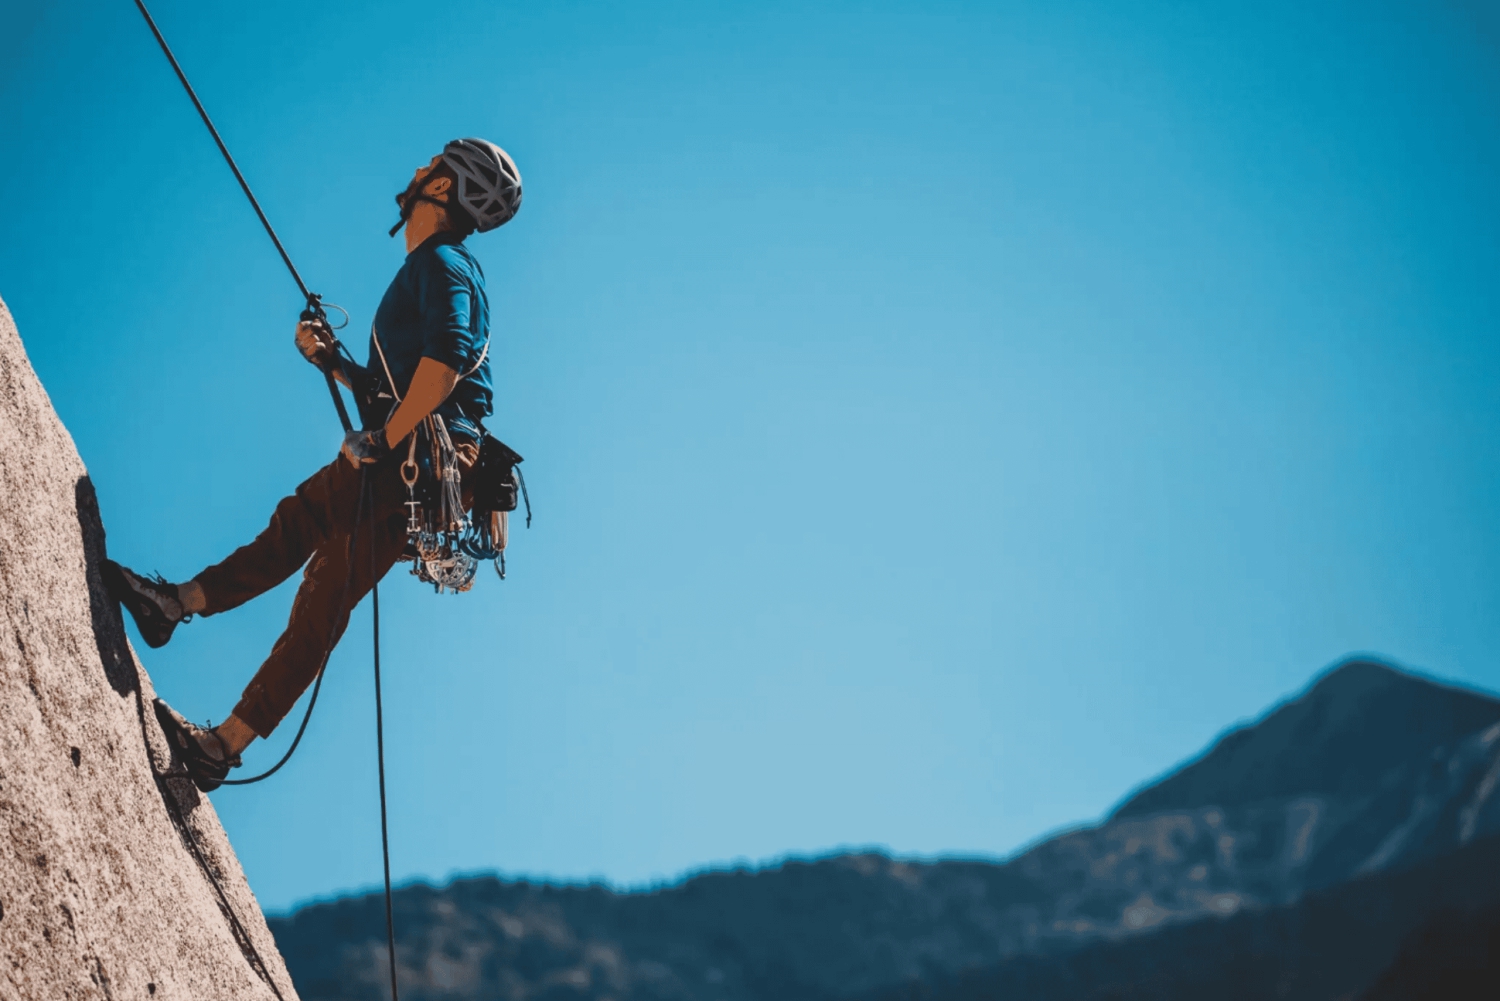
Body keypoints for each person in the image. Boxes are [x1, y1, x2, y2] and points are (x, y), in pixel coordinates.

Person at [104, 138, 522, 792]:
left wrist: (384, 440)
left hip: (421, 453)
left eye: (430, 166)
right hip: (439, 465)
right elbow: (413, 381)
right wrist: (333, 362)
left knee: (299, 523)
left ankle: (172, 604)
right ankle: (222, 745)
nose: (415, 169)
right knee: (324, 593)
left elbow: (443, 367)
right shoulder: (434, 266)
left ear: (444, 190)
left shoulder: (443, 264)